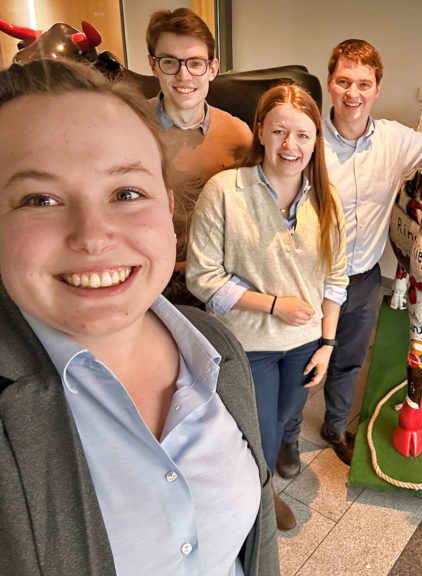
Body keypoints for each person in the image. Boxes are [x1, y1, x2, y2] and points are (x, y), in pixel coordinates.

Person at [0, 59, 279, 575]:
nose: (93, 236)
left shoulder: (216, 346)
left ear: (168, 206)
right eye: (40, 198)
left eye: (127, 193)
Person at [186, 84, 347, 531]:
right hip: (245, 341)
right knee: (258, 429)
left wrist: (328, 343)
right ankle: (259, 499)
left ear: (316, 139)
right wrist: (273, 305)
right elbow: (203, 278)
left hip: (304, 341)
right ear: (260, 131)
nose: (290, 146)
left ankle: (261, 483)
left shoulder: (325, 200)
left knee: (283, 417)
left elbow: (336, 281)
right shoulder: (224, 191)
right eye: (279, 132)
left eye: (303, 135)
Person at [315, 39, 422, 465]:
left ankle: (335, 426)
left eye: (363, 84)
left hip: (365, 279)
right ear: (329, 83)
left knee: (349, 362)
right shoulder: (308, 138)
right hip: (310, 277)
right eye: (344, 81)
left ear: (377, 89)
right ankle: (283, 438)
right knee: (296, 359)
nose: (353, 93)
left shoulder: (394, 140)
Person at [146, 8, 252, 305]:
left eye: (195, 63)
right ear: (153, 66)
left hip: (213, 280)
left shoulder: (238, 135)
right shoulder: (128, 127)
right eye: (170, 62)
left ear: (212, 68)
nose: (184, 75)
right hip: (147, 279)